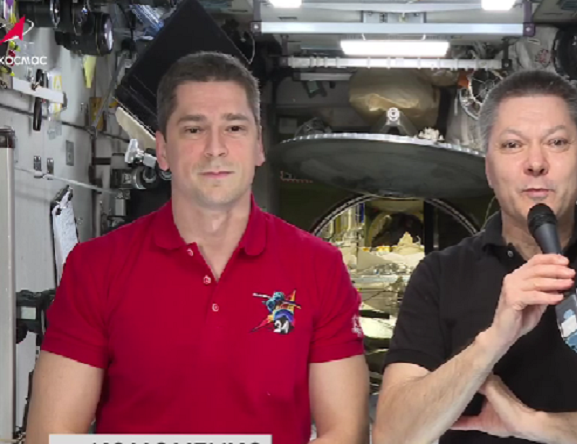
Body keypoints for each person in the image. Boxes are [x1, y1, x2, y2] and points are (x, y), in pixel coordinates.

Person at [25, 51, 370, 444]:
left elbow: (346, 433)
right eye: (193, 129)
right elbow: (50, 434)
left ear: (259, 145)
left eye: (234, 128)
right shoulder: (96, 267)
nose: (215, 148)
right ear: (163, 150)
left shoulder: (319, 268)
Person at [372, 70, 577, 444]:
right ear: (488, 167)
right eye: (512, 145)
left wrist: (534, 424)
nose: (535, 162)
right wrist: (493, 341)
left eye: (557, 142)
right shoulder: (440, 275)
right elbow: (392, 435)